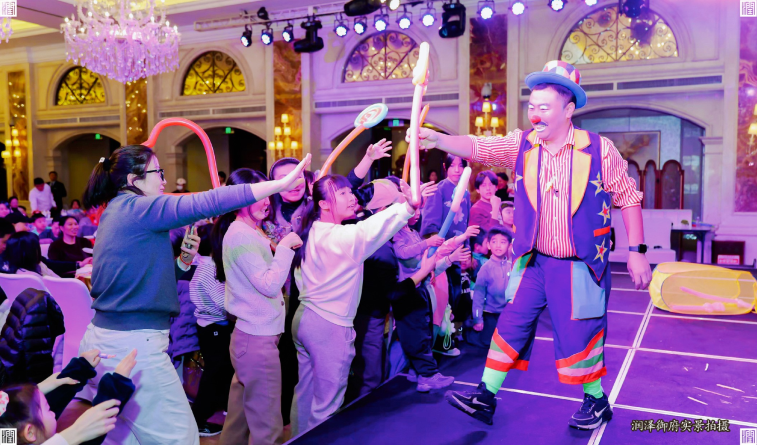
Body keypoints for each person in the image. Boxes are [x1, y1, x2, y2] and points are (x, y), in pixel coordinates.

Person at [410, 60, 652, 429]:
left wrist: (637, 253)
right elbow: (479, 145)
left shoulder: (599, 150)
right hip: (533, 261)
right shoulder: (522, 144)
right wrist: (439, 139)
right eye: (532, 106)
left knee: (578, 333)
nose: (535, 114)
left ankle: (596, 400)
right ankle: (485, 396)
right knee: (511, 323)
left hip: (578, 263)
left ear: (568, 110)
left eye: (545, 107)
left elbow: (629, 198)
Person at [76, 145, 310, 445]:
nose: (164, 180)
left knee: (125, 437)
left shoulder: (117, 209)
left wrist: (182, 264)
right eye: (158, 172)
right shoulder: (139, 207)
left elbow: (137, 282)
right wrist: (279, 184)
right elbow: (207, 201)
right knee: (180, 436)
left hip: (111, 339)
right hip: (133, 345)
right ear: (134, 180)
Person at [289, 174, 429, 435]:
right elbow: (371, 228)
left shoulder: (312, 230)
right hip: (329, 325)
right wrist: (408, 207)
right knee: (327, 406)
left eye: (350, 192)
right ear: (324, 204)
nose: (351, 197)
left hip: (304, 319)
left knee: (305, 393)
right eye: (342, 193)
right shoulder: (343, 237)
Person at [217, 169, 302, 445]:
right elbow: (268, 284)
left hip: (248, 337)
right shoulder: (241, 236)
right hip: (256, 339)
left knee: (238, 422)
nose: (267, 201)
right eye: (259, 195)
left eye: (268, 193)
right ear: (240, 199)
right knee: (267, 427)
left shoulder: (249, 231)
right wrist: (285, 248)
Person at [0, 350, 137, 445]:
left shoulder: (8, 436)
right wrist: (117, 385)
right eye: (48, 409)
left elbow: (51, 403)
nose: (53, 412)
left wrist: (80, 368)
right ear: (30, 433)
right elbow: (92, 431)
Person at [188, 224, 230, 437]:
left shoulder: (203, 264)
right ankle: (198, 419)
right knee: (214, 372)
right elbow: (224, 304)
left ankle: (215, 409)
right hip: (213, 325)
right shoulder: (210, 269)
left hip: (209, 324)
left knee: (220, 370)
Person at [421, 154, 474, 326]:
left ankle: (452, 333)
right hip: (441, 253)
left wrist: (467, 251)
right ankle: (440, 334)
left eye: (461, 166)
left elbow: (466, 223)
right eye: (452, 166)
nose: (457, 170)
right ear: (445, 167)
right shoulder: (439, 189)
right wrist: (435, 251)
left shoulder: (466, 192)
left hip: (458, 251)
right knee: (442, 297)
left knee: (456, 295)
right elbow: (430, 224)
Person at [467, 227, 512, 349]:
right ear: (488, 244)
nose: (498, 245)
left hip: (506, 314)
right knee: (487, 343)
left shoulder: (511, 267)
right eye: (494, 241)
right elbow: (478, 297)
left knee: (507, 344)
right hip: (490, 313)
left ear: (509, 245)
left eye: (503, 242)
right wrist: (478, 319)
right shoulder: (485, 268)